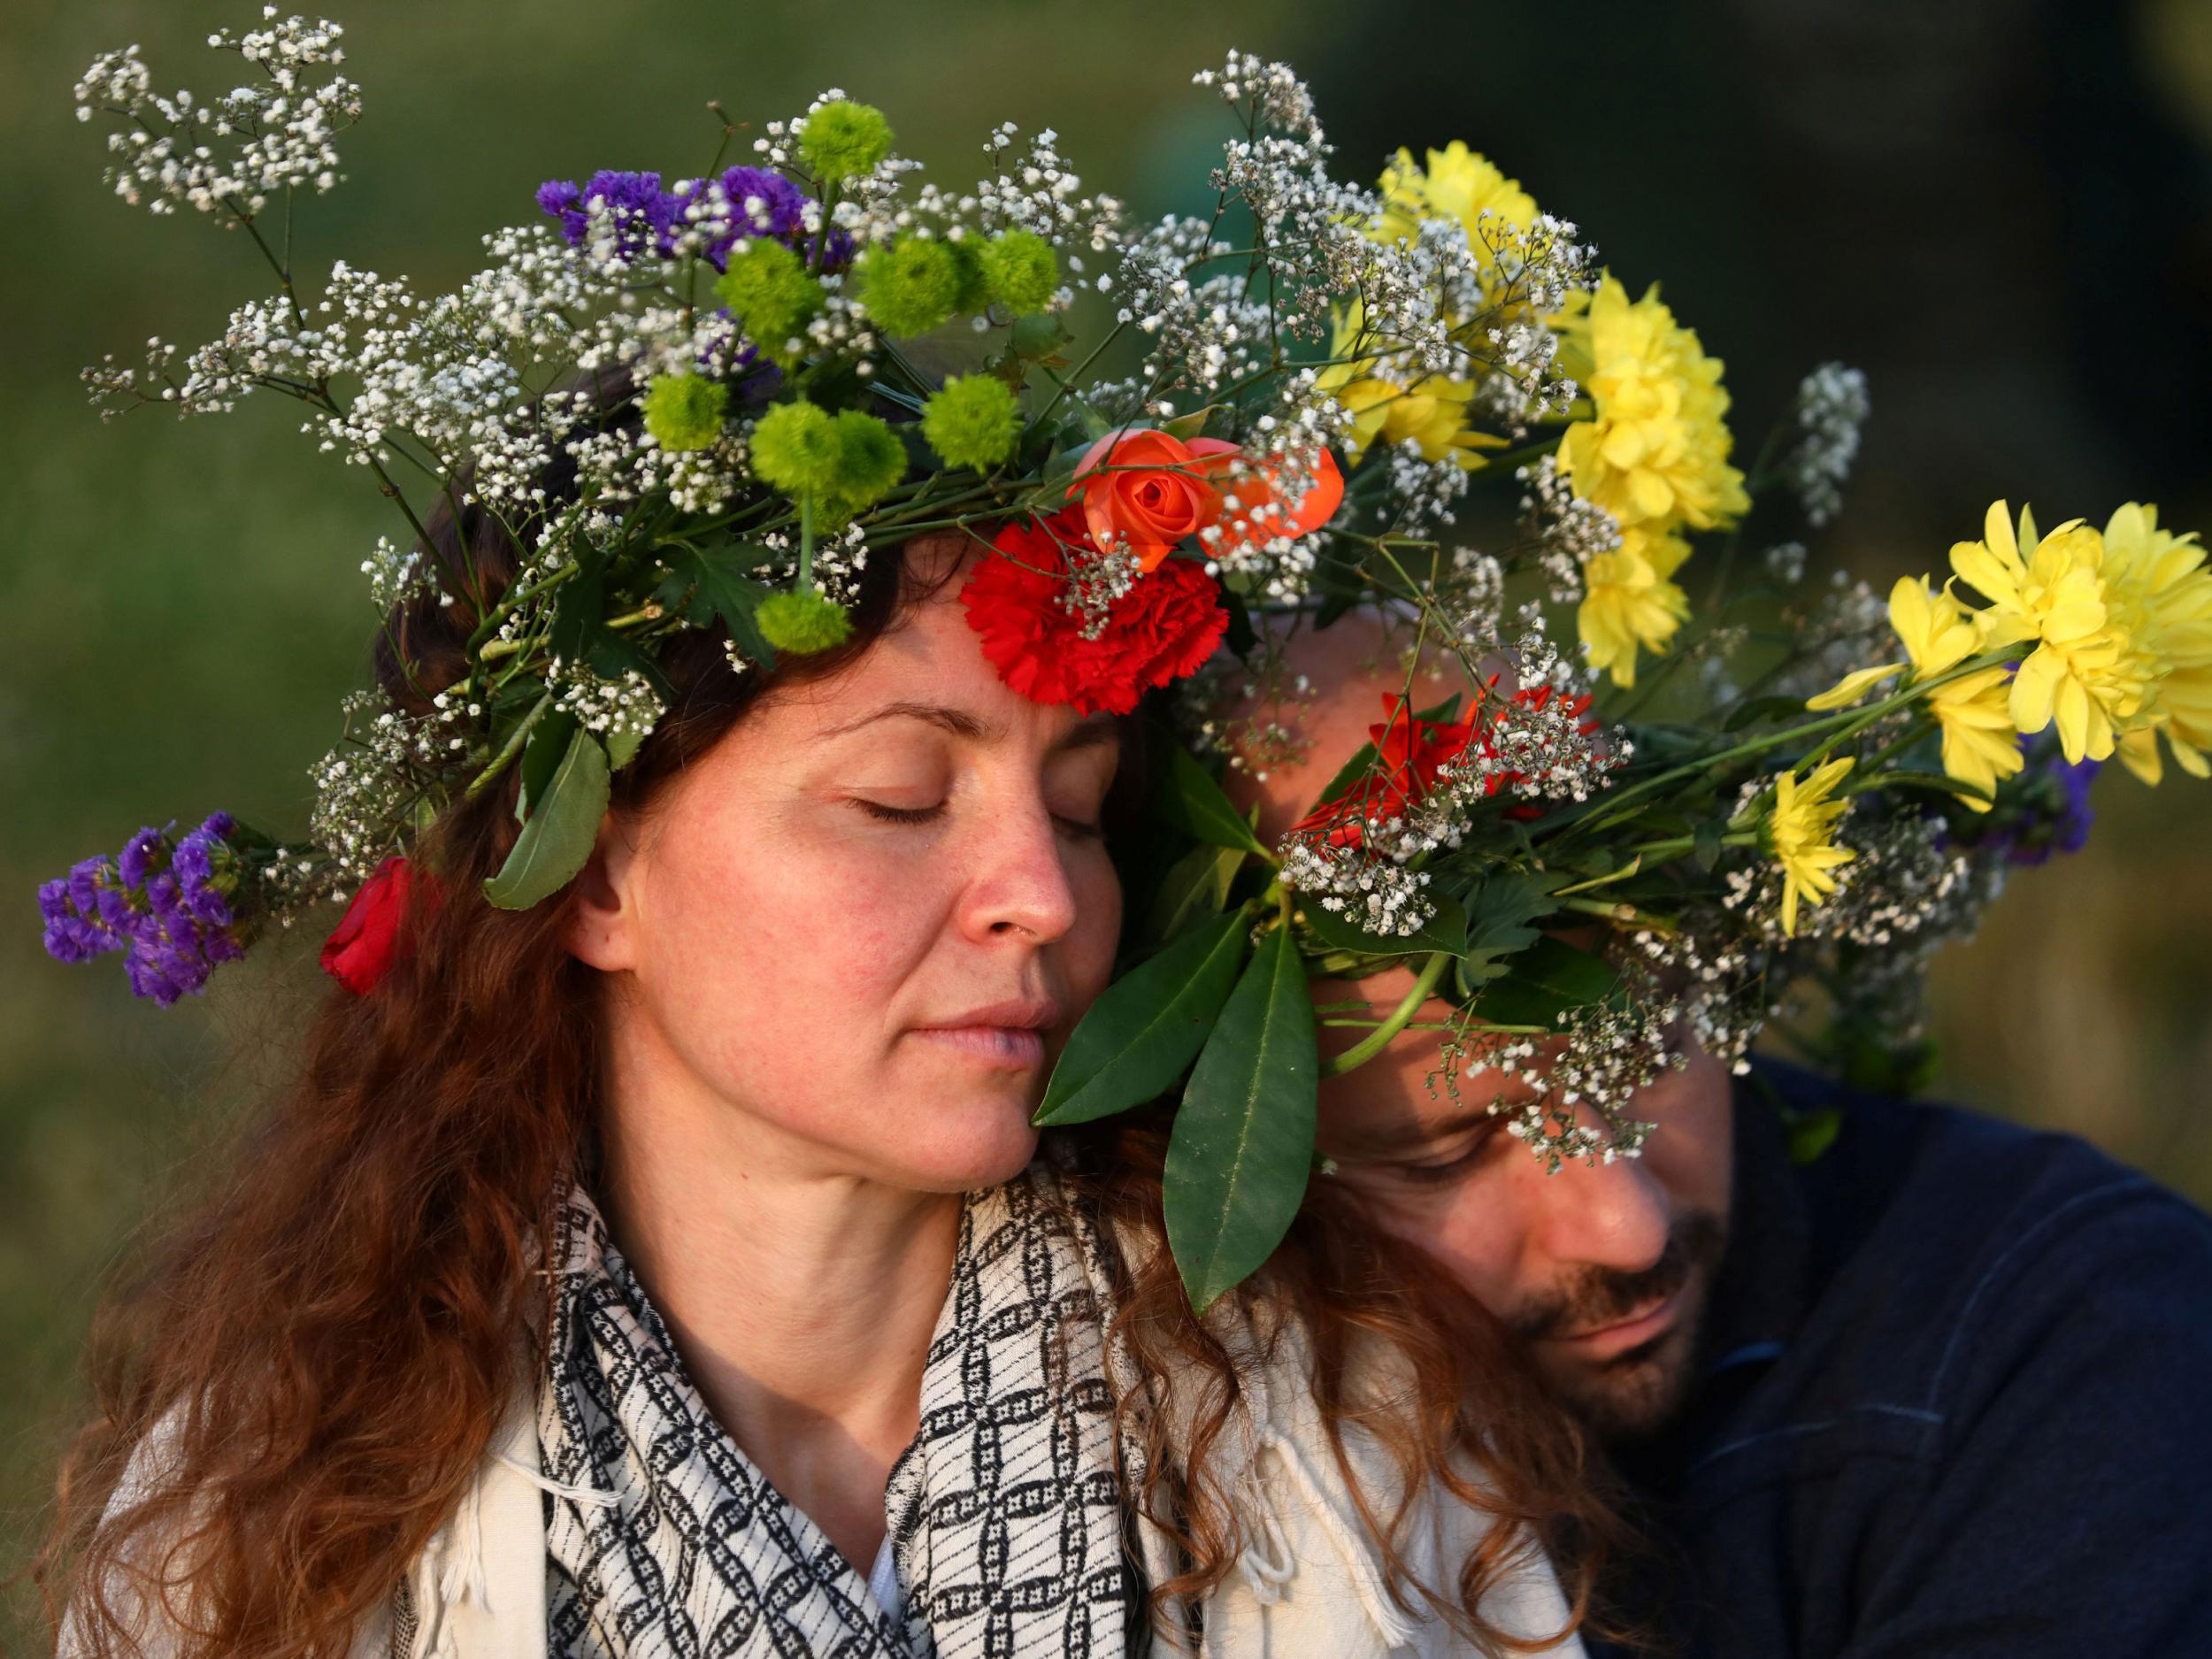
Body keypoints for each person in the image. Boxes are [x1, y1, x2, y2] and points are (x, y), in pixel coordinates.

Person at [38, 479, 1610, 1659]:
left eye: (1077, 809)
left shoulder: (1337, 1420)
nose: (1043, 896)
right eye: (901, 800)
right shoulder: (288, 1516)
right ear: (590, 876)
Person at [1230, 614, 2212, 1658]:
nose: (1628, 1229)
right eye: (1449, 1151)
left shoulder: (2060, 1334)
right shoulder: (1128, 1417)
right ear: (1225, 1139)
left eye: (1648, 1055)